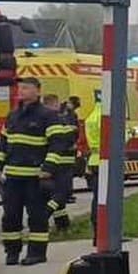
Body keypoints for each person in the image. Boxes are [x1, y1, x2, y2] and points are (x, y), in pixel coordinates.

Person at [0, 76, 56, 266]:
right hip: (13, 177)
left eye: (26, 88)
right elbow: (4, 143)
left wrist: (48, 168)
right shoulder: (13, 115)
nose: (22, 91)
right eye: (21, 88)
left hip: (35, 177)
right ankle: (12, 252)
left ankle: (37, 253)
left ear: (37, 90)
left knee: (37, 216)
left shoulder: (47, 116)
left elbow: (57, 144)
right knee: (10, 215)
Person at [43, 93, 79, 232]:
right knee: (63, 193)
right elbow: (69, 136)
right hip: (63, 161)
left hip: (51, 161)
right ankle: (42, 216)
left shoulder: (43, 117)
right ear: (54, 104)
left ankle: (63, 225)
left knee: (57, 195)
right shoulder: (57, 117)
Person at [84, 89, 102, 238]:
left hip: (93, 161)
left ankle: (97, 234)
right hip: (105, 162)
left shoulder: (91, 117)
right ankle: (106, 234)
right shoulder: (105, 117)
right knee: (108, 200)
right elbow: (115, 138)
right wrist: (131, 133)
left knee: (97, 199)